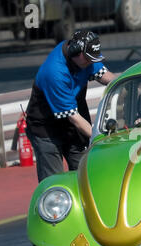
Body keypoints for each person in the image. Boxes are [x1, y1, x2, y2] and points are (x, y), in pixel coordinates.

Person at [26, 30, 119, 182]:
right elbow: (74, 118)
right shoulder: (55, 72)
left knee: (86, 171)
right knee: (54, 181)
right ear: (77, 52)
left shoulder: (86, 57)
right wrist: (101, 138)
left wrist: (130, 82)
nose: (92, 63)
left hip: (72, 121)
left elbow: (106, 76)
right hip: (46, 127)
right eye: (89, 59)